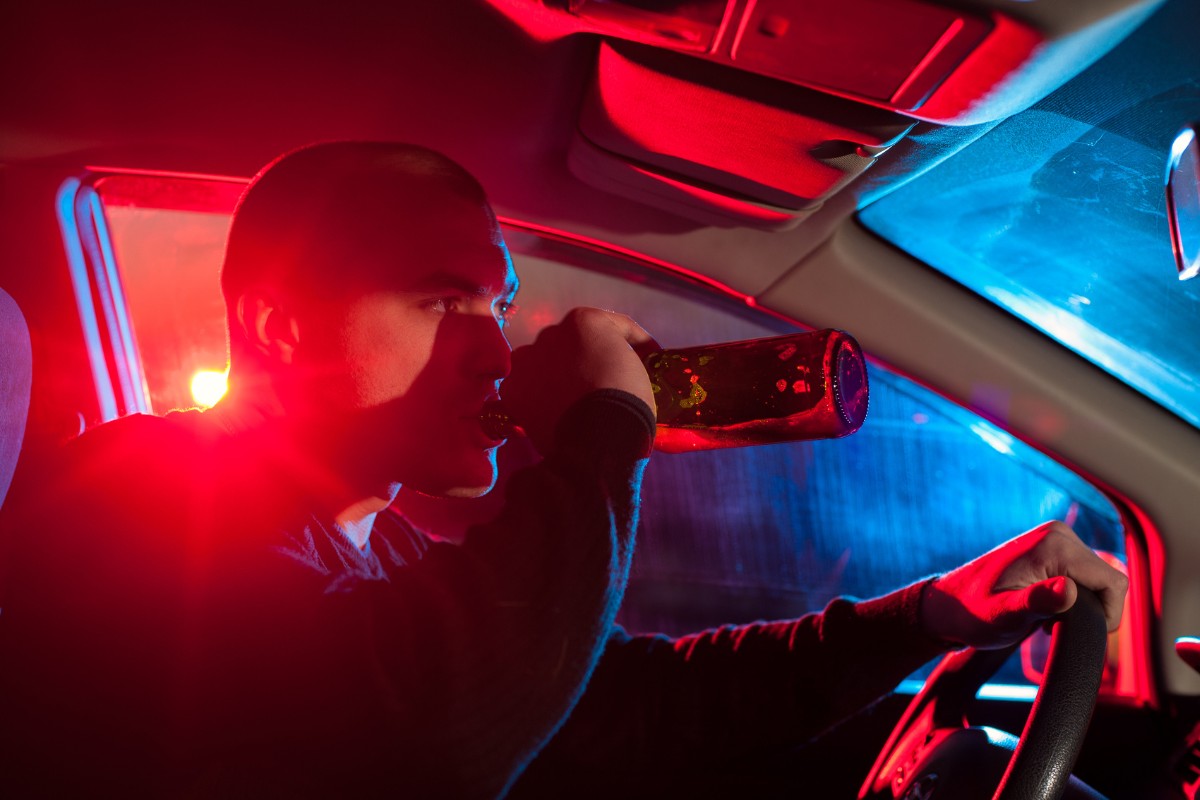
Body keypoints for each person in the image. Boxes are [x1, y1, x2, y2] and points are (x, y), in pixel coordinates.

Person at [0, 142, 1127, 797]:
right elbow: (420, 733)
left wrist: (926, 614)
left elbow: (620, 702)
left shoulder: (373, 544)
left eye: (493, 302)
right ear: (282, 329)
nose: (492, 346)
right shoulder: (136, 502)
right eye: (441, 301)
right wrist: (597, 434)